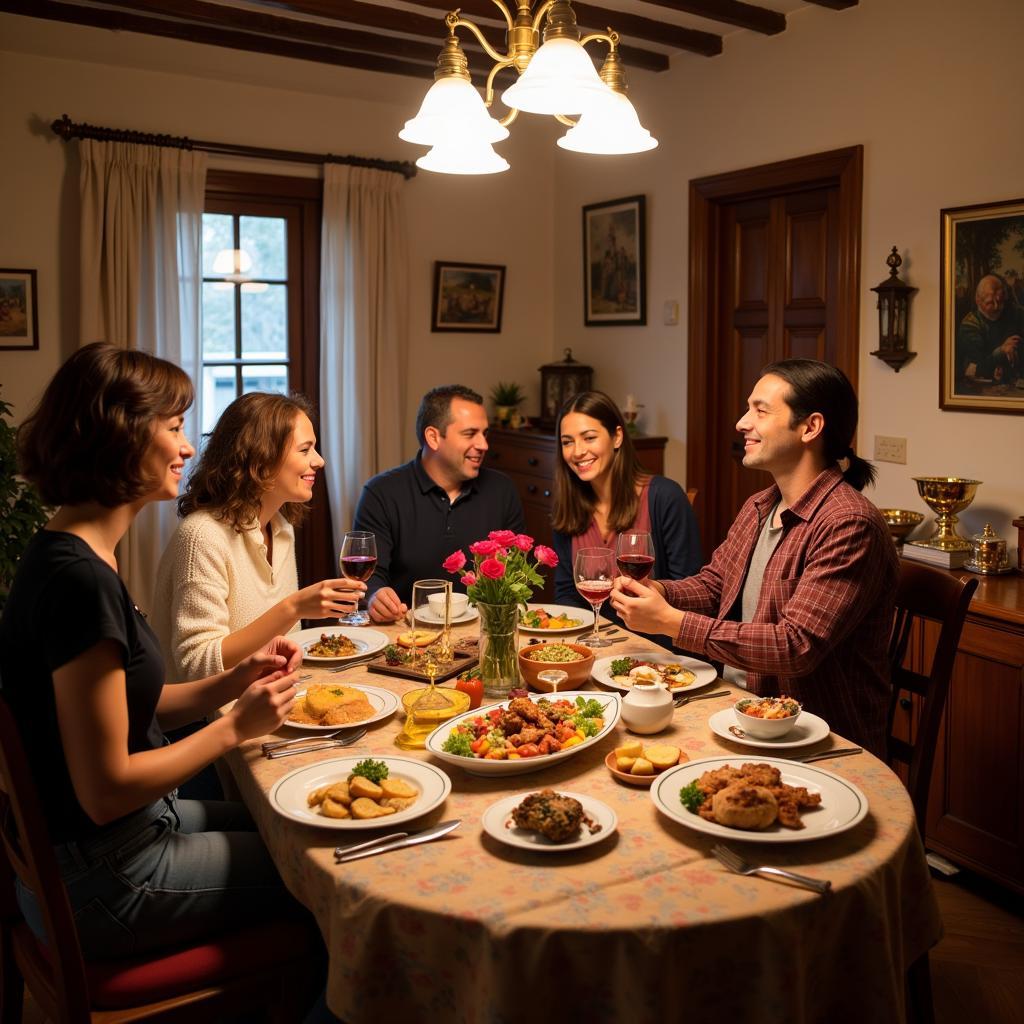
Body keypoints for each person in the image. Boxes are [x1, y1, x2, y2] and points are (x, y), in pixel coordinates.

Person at [0, 343, 304, 961]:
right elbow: (105, 788)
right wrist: (234, 730)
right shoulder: (79, 582)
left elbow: (133, 708)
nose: (189, 447)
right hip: (106, 874)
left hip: (127, 836)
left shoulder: (77, 553)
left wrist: (231, 681)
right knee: (321, 872)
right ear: (119, 437)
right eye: (173, 428)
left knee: (299, 825)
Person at [609, 359, 898, 756]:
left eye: (760, 411)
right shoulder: (761, 506)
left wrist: (672, 623)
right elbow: (714, 586)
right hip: (737, 714)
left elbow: (796, 646)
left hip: (815, 741)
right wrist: (658, 590)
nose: (742, 423)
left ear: (810, 427)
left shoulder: (849, 523)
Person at [152, 392, 364, 681]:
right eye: (305, 450)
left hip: (270, 703)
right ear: (261, 457)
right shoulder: (202, 536)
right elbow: (196, 662)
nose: (320, 461)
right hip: (207, 721)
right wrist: (294, 608)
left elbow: (284, 650)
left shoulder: (281, 528)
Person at [353, 384, 524, 623]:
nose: (483, 445)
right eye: (470, 434)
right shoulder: (381, 493)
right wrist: (376, 596)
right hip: (408, 634)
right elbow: (370, 576)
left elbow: (517, 576)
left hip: (485, 632)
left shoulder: (502, 490)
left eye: (484, 433)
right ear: (433, 437)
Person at [551, 391, 701, 639]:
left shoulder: (664, 497)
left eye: (589, 437)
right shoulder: (566, 507)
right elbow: (566, 594)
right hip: (594, 643)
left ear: (617, 437)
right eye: (567, 442)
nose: (577, 451)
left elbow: (689, 594)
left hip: (659, 650)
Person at [955, 274, 1023, 386]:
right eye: (990, 303)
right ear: (978, 301)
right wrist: (1001, 351)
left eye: (1000, 301)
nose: (997, 307)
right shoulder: (970, 325)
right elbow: (975, 367)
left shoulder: (1015, 313)